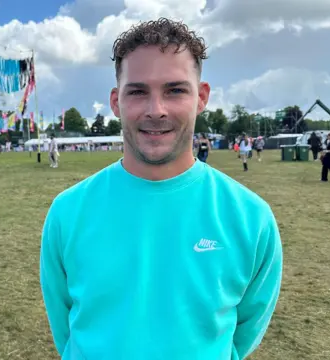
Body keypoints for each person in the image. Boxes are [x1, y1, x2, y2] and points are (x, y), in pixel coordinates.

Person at [40, 18, 283, 360]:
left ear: (201, 97)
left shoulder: (251, 217)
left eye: (175, 90)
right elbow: (64, 325)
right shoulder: (68, 212)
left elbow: (244, 331)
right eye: (138, 92)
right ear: (115, 101)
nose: (156, 110)